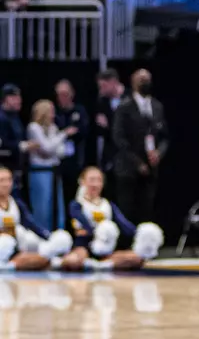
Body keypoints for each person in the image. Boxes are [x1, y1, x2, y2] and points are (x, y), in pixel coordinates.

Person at [64, 166, 161, 271]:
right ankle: (91, 263)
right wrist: (99, 232)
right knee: (73, 261)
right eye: (91, 180)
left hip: (107, 248)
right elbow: (83, 226)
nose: (95, 184)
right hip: (85, 247)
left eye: (99, 180)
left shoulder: (108, 205)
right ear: (82, 182)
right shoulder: (77, 204)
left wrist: (143, 234)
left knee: (136, 258)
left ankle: (100, 265)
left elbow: (125, 226)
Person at [112, 69, 169, 225]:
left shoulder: (157, 106)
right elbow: (119, 139)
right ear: (133, 82)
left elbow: (164, 136)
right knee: (128, 211)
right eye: (141, 79)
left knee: (148, 210)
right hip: (128, 169)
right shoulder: (124, 107)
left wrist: (159, 153)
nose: (145, 82)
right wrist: (138, 163)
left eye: (147, 79)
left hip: (151, 168)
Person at [26, 99, 67, 231]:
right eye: (51, 111)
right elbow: (47, 148)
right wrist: (63, 134)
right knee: (42, 205)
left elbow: (61, 151)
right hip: (39, 171)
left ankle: (59, 233)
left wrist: (51, 146)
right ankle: (42, 231)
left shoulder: (53, 128)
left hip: (54, 170)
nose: (53, 115)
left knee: (57, 204)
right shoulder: (33, 127)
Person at [53, 78, 89, 209]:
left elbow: (84, 130)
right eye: (60, 95)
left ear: (72, 94)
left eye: (65, 94)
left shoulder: (79, 110)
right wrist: (66, 132)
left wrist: (73, 131)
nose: (63, 98)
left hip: (76, 160)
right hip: (58, 161)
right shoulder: (55, 113)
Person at [94, 67, 127, 189]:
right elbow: (99, 129)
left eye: (103, 86)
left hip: (127, 154)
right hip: (109, 155)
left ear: (113, 82)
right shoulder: (102, 101)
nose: (101, 90)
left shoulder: (129, 98)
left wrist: (109, 125)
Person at [0, 85, 26, 184]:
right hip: (4, 166)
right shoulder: (2, 117)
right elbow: (2, 142)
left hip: (16, 166)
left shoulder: (15, 117)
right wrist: (20, 146)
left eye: (19, 97)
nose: (19, 100)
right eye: (14, 97)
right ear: (6, 99)